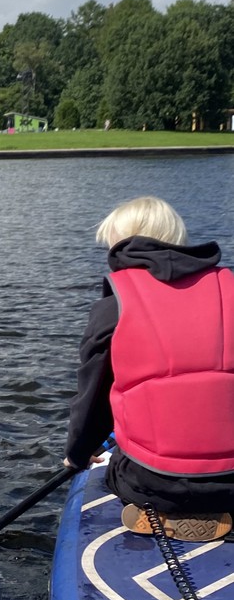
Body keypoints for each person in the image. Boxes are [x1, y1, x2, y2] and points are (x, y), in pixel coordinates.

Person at [64, 196, 234, 541]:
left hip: (151, 482)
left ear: (118, 242)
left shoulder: (114, 303)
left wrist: (78, 455)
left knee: (118, 467)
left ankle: (158, 513)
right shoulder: (228, 286)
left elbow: (93, 398)